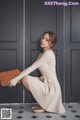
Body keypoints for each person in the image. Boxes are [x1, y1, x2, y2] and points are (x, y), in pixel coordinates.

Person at [8, 31, 66, 114]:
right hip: (47, 83)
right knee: (24, 78)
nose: (43, 41)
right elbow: (32, 67)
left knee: (25, 79)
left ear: (51, 44)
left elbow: (32, 68)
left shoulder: (48, 54)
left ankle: (44, 104)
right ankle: (43, 103)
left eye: (47, 40)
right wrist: (16, 78)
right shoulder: (42, 54)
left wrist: (15, 79)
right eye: (43, 38)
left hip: (52, 88)